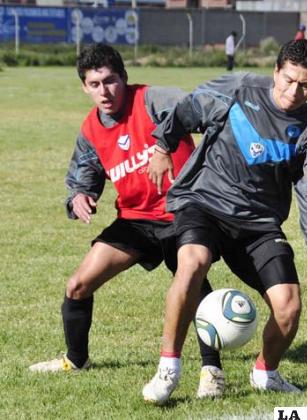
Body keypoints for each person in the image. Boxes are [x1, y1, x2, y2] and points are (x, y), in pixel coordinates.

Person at [143, 39, 307, 404]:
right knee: (193, 261)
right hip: (205, 202)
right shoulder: (239, 90)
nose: (293, 91)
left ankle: (265, 372)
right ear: (275, 72)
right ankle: (168, 368)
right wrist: (162, 145)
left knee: (289, 306)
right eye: (288, 79)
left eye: (305, 85)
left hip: (258, 223)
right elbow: (189, 108)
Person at [28, 43, 225, 399]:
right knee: (77, 285)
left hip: (184, 211)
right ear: (84, 87)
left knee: (192, 281)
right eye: (94, 84)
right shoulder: (90, 129)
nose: (104, 91)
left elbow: (197, 107)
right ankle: (77, 360)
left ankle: (212, 370)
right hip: (136, 219)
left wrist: (170, 146)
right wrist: (79, 197)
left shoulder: (152, 99)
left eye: (110, 80)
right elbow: (83, 176)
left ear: (124, 78)